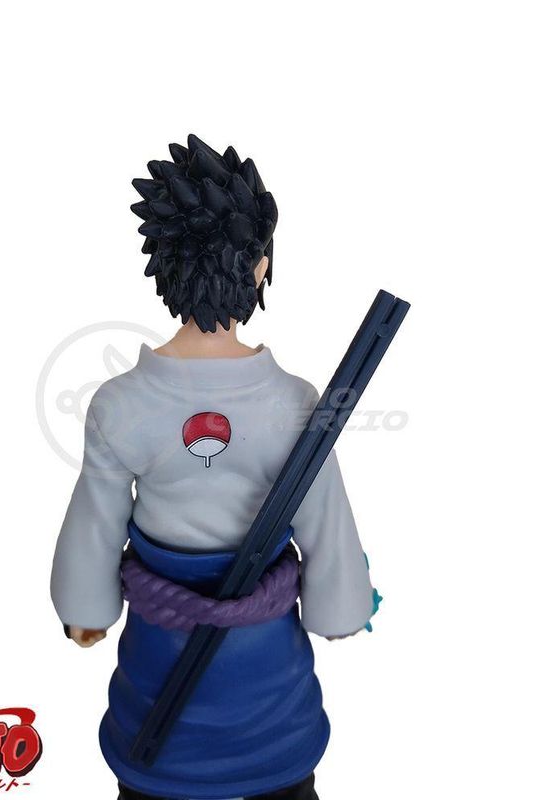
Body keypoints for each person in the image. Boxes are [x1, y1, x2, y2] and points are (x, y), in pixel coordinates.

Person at [51, 135, 379, 800]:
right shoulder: (294, 404)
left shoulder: (120, 404)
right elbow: (326, 525)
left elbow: (94, 523)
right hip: (267, 697)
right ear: (260, 266)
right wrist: (340, 607)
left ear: (163, 266)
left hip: (158, 681)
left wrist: (86, 610)